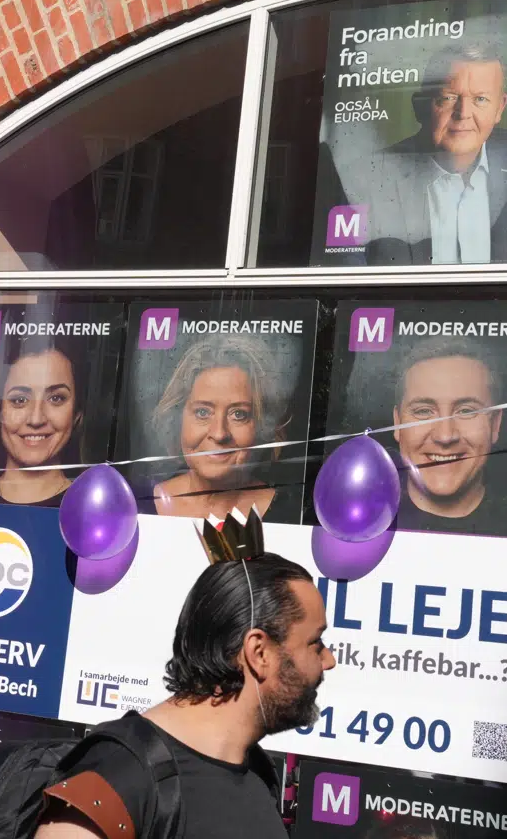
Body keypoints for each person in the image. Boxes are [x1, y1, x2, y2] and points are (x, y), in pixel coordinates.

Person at [36, 553, 336, 839]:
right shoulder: (120, 772)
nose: (329, 660)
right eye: (316, 643)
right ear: (258, 652)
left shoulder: (260, 774)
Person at [337, 43, 507, 266]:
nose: (463, 114)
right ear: (420, 107)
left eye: (480, 99)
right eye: (448, 98)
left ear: (500, 108)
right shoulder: (364, 180)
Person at [150, 334, 293, 521]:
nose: (219, 433)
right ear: (177, 420)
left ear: (262, 427)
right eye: (202, 412)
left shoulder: (289, 514)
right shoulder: (135, 504)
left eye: (238, 414)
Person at [390, 338, 507, 536]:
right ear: (398, 423)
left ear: (495, 424)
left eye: (466, 411)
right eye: (424, 411)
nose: (445, 436)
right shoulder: (361, 522)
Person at [0, 339, 86, 506]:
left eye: (56, 398)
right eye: (19, 399)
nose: (36, 419)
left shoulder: (91, 511)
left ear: (77, 414)